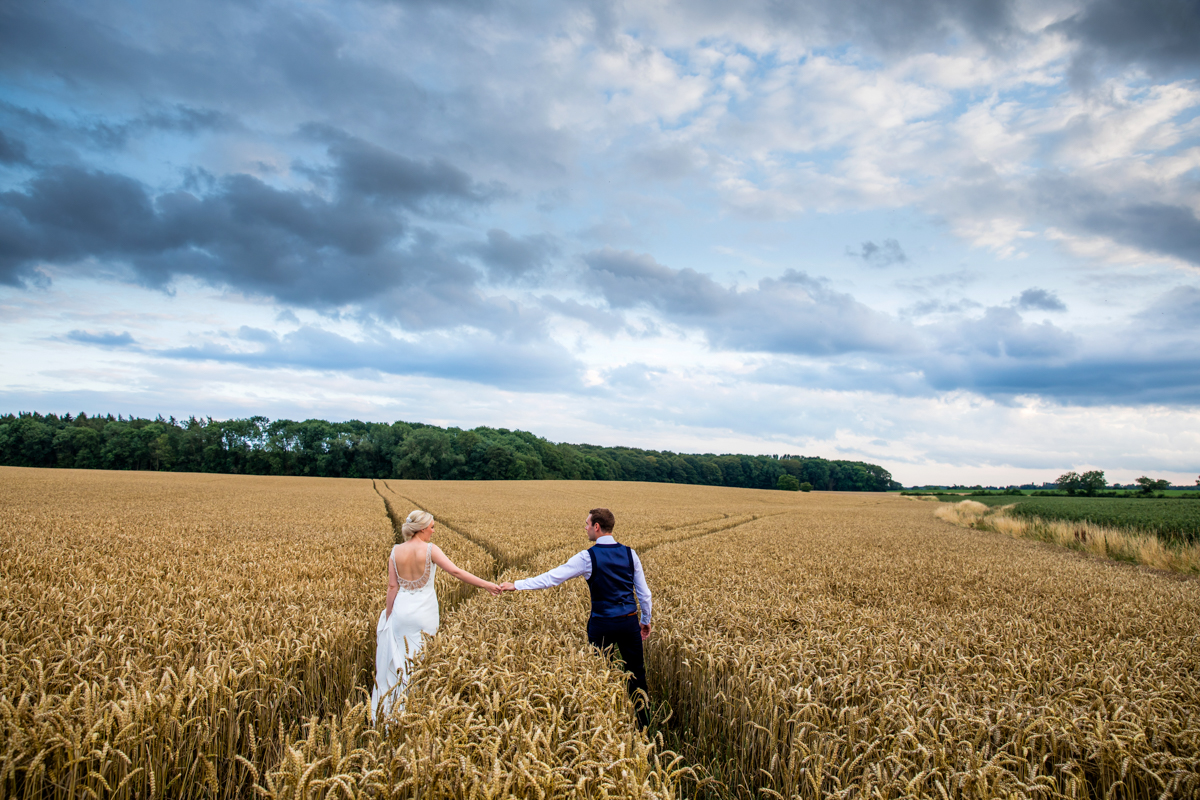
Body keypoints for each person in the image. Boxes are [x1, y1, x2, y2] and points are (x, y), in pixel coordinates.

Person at [500, 507, 652, 728]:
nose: (586, 528)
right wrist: (645, 620)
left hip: (601, 624)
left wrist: (517, 585)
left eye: (587, 524)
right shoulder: (631, 554)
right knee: (637, 674)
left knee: (600, 675)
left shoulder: (587, 557)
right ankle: (643, 726)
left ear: (597, 527)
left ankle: (606, 725)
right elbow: (644, 594)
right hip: (629, 622)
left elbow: (553, 578)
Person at [372, 509, 501, 722]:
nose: (433, 530)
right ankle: (416, 710)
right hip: (424, 612)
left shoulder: (395, 551)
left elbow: (392, 587)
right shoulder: (430, 550)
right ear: (422, 528)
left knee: (399, 661)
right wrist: (487, 584)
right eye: (432, 526)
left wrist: (388, 615)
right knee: (421, 661)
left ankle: (393, 712)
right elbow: (456, 572)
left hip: (401, 611)